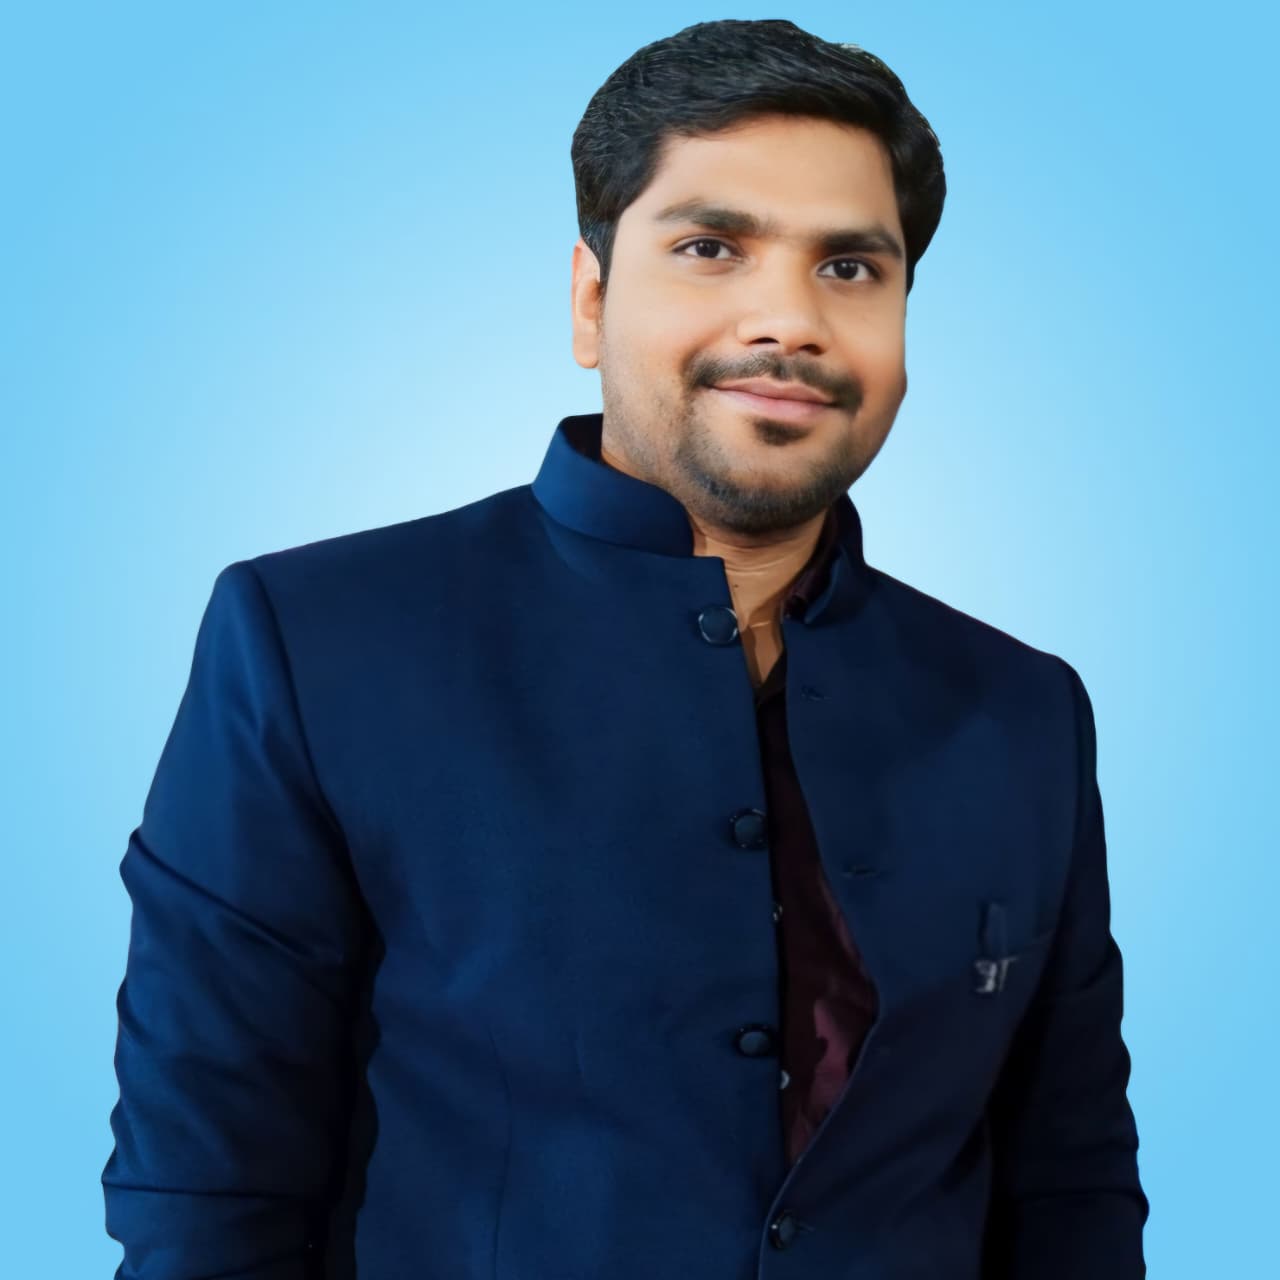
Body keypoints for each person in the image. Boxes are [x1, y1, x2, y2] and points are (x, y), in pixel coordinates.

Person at [102, 17, 1148, 1279]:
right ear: (591, 299)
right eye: (710, 248)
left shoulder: (1021, 709)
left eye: (848, 267)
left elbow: (1072, 1185)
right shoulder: (316, 642)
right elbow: (206, 1193)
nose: (788, 319)